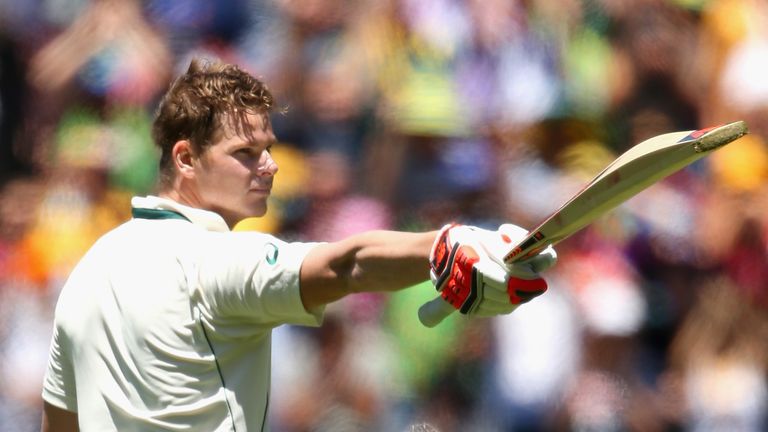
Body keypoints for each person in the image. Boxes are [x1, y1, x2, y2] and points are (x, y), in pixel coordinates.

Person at [40, 58, 557, 432]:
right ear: (186, 158)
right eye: (245, 152)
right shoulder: (214, 260)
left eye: (268, 148)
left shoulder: (88, 269)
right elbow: (346, 266)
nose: (269, 166)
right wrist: (448, 243)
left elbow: (59, 424)